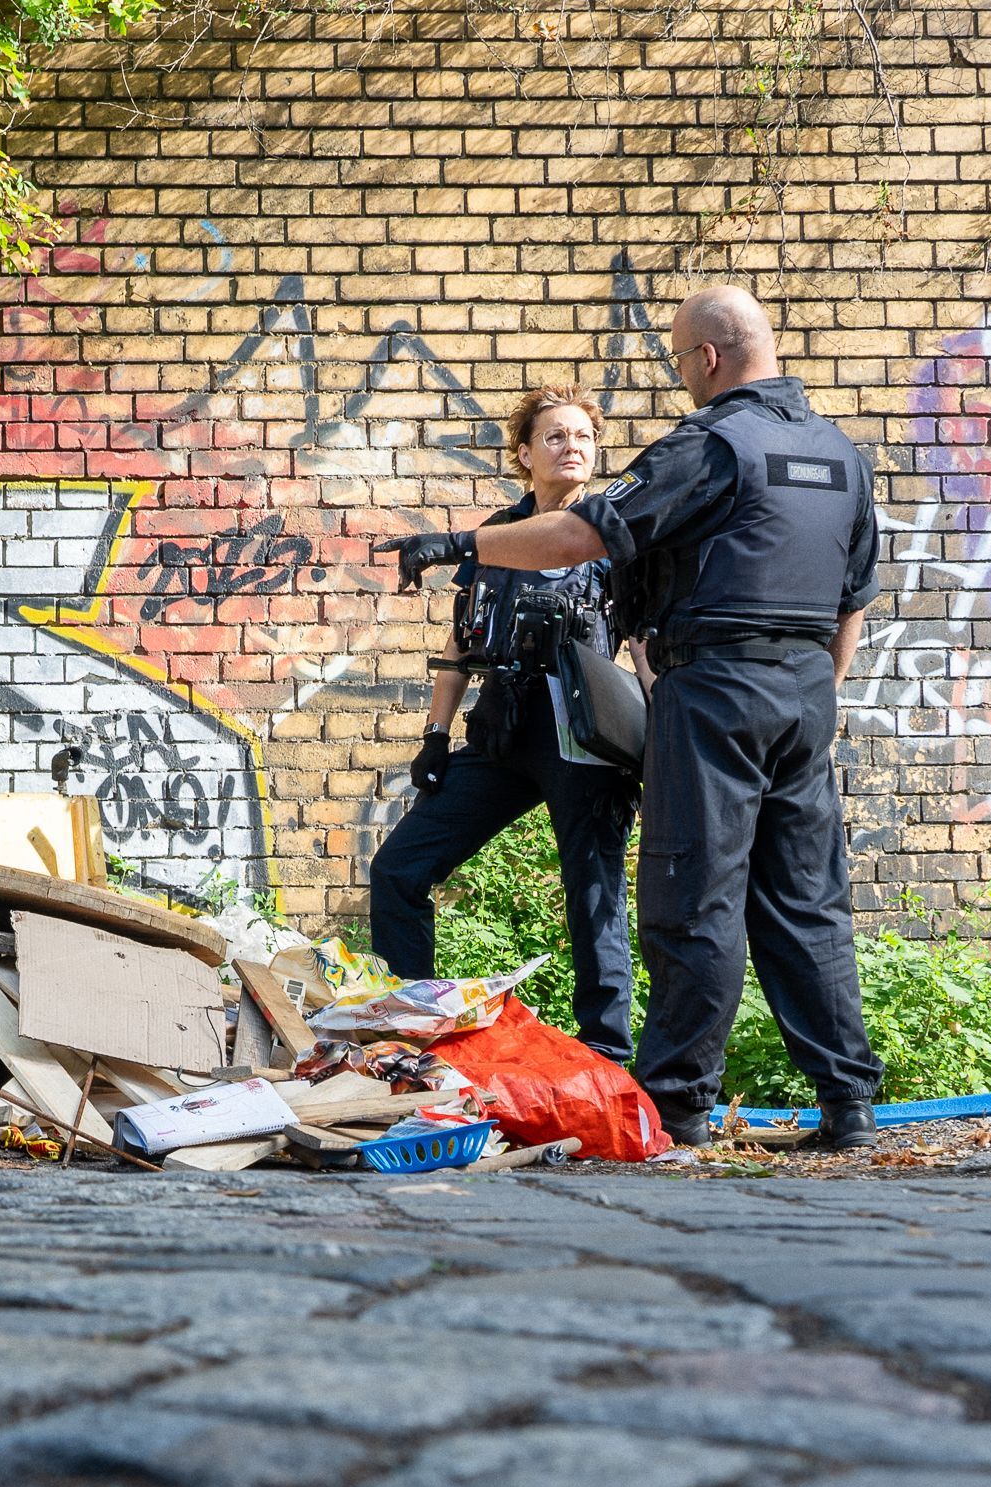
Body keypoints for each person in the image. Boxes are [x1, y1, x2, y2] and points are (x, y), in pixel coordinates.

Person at [384, 286, 884, 1149]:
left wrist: (460, 545)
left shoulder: (712, 445)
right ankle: (849, 1105)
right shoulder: (839, 455)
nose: (683, 377)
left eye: (681, 361)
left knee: (693, 893)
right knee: (808, 901)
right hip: (804, 695)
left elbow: (583, 536)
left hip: (717, 686)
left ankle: (676, 1103)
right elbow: (853, 602)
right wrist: (815, 696)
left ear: (709, 359)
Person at [367, 387, 641, 1062]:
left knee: (594, 890)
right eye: (555, 437)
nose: (572, 446)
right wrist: (435, 736)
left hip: (585, 733)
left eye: (582, 436)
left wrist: (660, 741)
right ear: (524, 454)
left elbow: (643, 644)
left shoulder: (614, 536)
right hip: (502, 727)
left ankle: (606, 1056)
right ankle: (414, 1036)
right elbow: (462, 641)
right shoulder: (497, 534)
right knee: (398, 869)